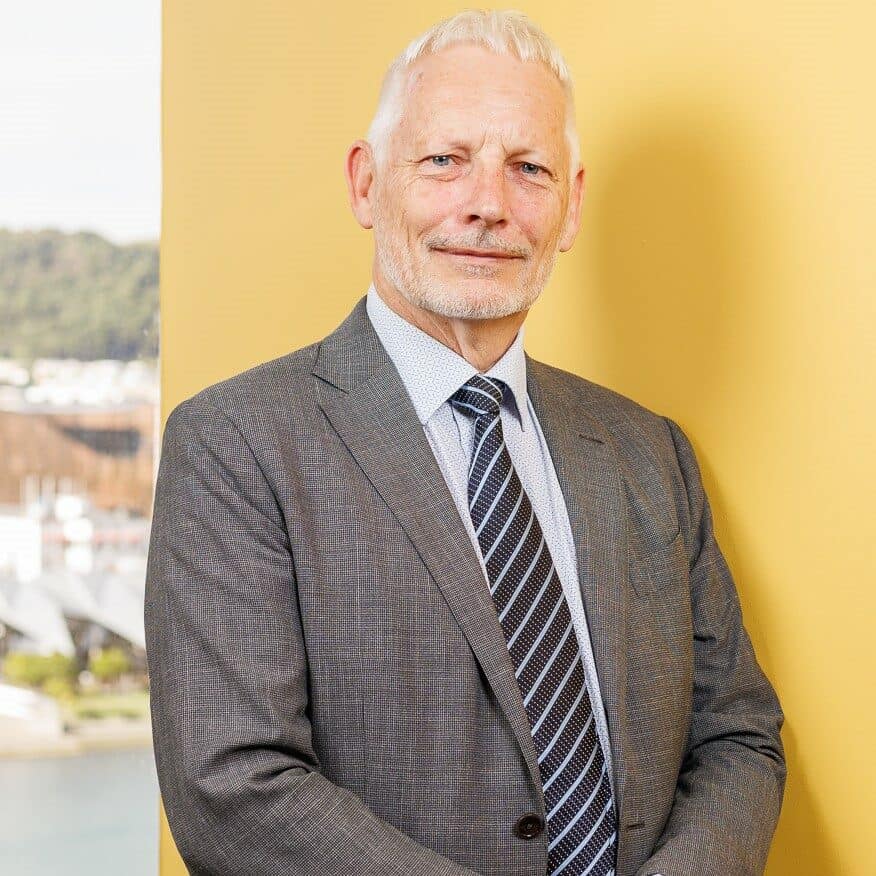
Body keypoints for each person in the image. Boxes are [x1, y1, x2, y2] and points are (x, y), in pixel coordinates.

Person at [144, 10, 785, 876]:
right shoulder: (237, 444)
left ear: (570, 207)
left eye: (528, 168)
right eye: (444, 161)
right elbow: (231, 785)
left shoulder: (649, 452)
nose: (487, 205)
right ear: (367, 184)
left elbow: (738, 735)